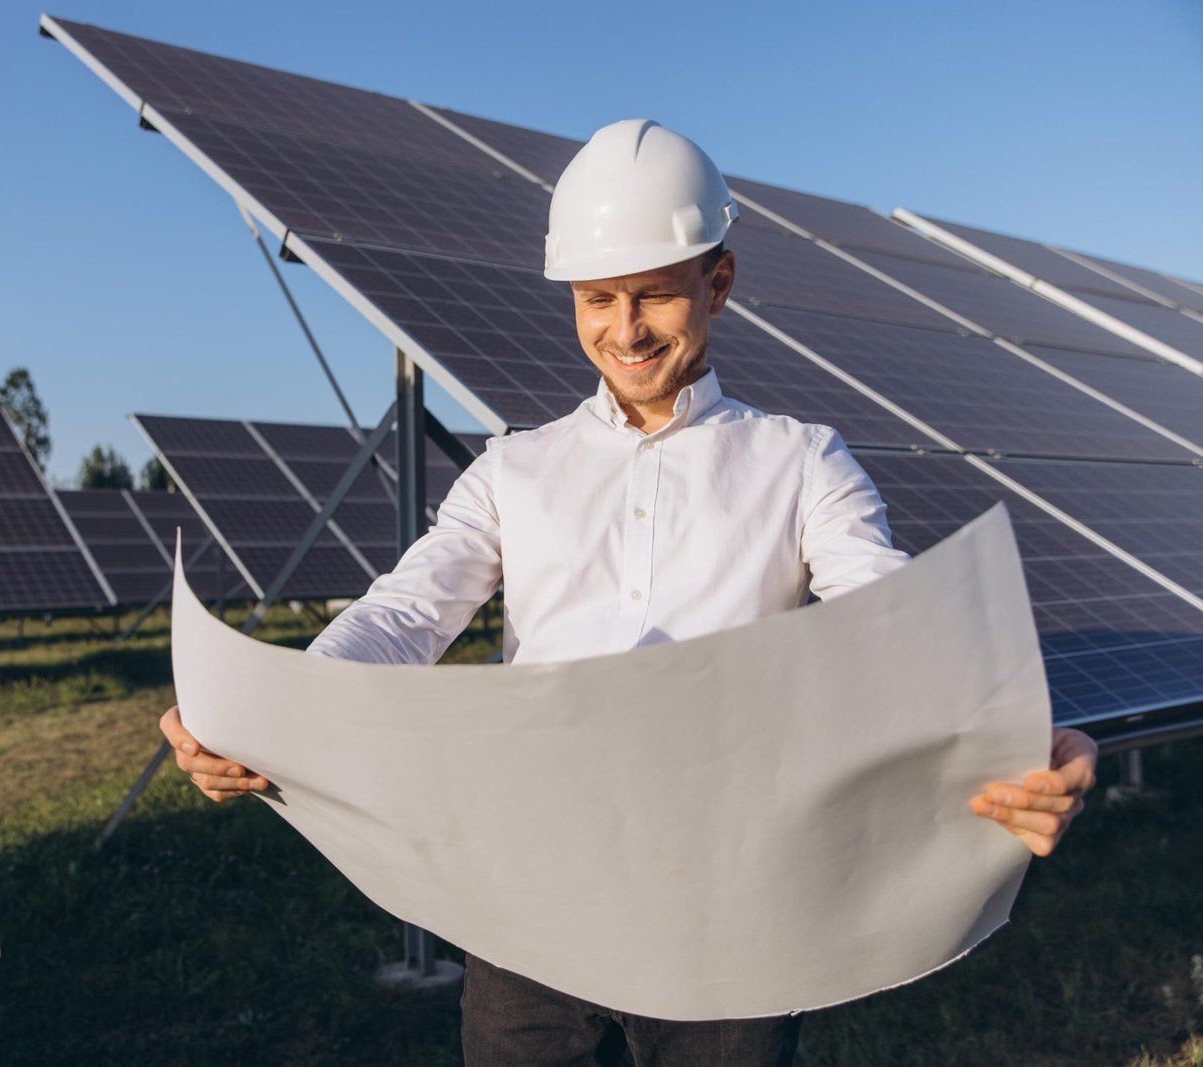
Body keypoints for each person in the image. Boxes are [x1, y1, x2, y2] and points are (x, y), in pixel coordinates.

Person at [159, 119, 1098, 1066]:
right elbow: (407, 612)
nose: (625, 329)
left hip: (734, 907)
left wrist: (1018, 738)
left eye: (654, 295)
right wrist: (272, 709)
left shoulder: (802, 461)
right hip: (529, 904)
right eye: (597, 299)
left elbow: (890, 621)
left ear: (718, 283)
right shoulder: (514, 471)